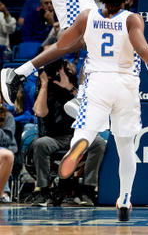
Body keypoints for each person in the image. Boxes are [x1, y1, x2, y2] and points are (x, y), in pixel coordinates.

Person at [1, 0, 148, 221]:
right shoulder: (132, 19)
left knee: (85, 130)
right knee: (126, 146)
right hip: (126, 85)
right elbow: (142, 49)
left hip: (98, 82)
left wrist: (28, 66)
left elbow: (62, 46)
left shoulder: (87, 17)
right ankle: (125, 198)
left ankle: (77, 147)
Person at [29, 58, 106, 207]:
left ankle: (87, 190)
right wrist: (44, 84)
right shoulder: (44, 90)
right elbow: (39, 111)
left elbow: (88, 108)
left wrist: (69, 87)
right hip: (53, 138)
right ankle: (43, 190)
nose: (63, 73)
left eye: (67, 69)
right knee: (40, 143)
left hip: (76, 137)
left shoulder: (77, 88)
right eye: (60, 70)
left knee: (99, 142)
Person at [0, 90, 17, 203]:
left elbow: (6, 141)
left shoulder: (8, 117)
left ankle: (2, 193)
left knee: (6, 155)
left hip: (3, 148)